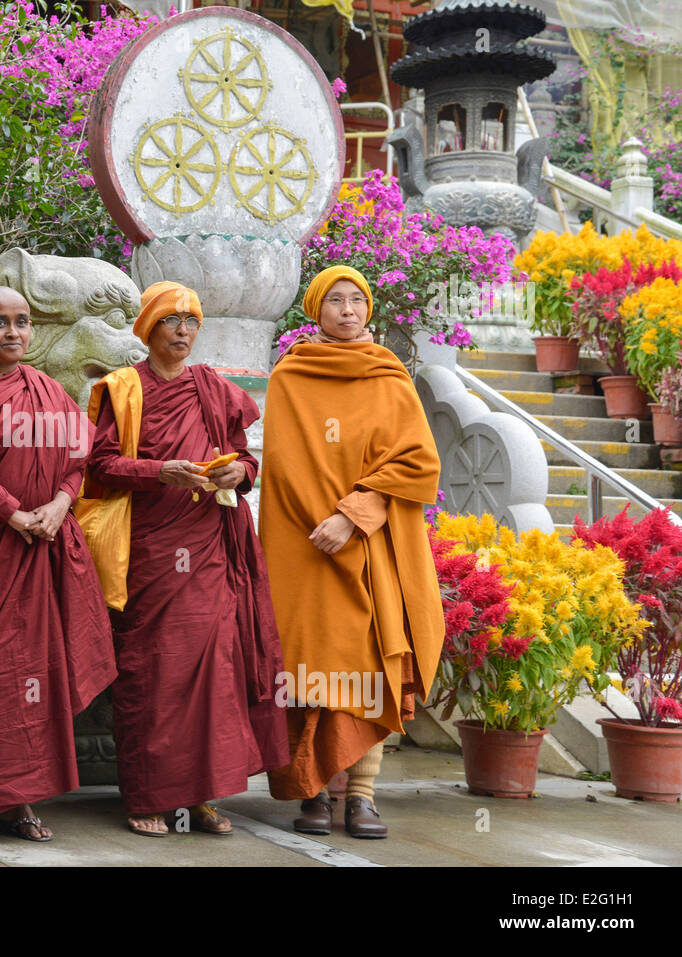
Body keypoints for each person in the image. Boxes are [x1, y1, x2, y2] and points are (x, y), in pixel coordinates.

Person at [85, 281, 288, 838]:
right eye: (171, 321)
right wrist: (160, 471)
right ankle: (149, 797)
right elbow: (99, 465)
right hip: (150, 550)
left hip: (209, 547)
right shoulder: (124, 389)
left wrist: (238, 473)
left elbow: (246, 457)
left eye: (190, 322)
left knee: (213, 673)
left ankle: (198, 797)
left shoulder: (212, 389)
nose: (182, 331)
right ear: (148, 329)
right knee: (152, 670)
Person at [0, 286, 117, 847]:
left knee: (32, 673)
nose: (13, 333)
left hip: (44, 544)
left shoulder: (49, 390)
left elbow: (79, 461)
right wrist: (11, 512)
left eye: (22, 322)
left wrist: (59, 505)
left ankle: (15, 801)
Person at [259, 265, 444, 839]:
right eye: (334, 300)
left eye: (356, 300)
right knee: (309, 663)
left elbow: (417, 462)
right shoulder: (291, 376)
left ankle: (361, 796)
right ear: (316, 311)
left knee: (371, 663)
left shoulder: (391, 377)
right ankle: (312, 791)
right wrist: (326, 524)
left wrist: (354, 516)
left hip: (373, 544)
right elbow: (286, 468)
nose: (347, 310)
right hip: (307, 546)